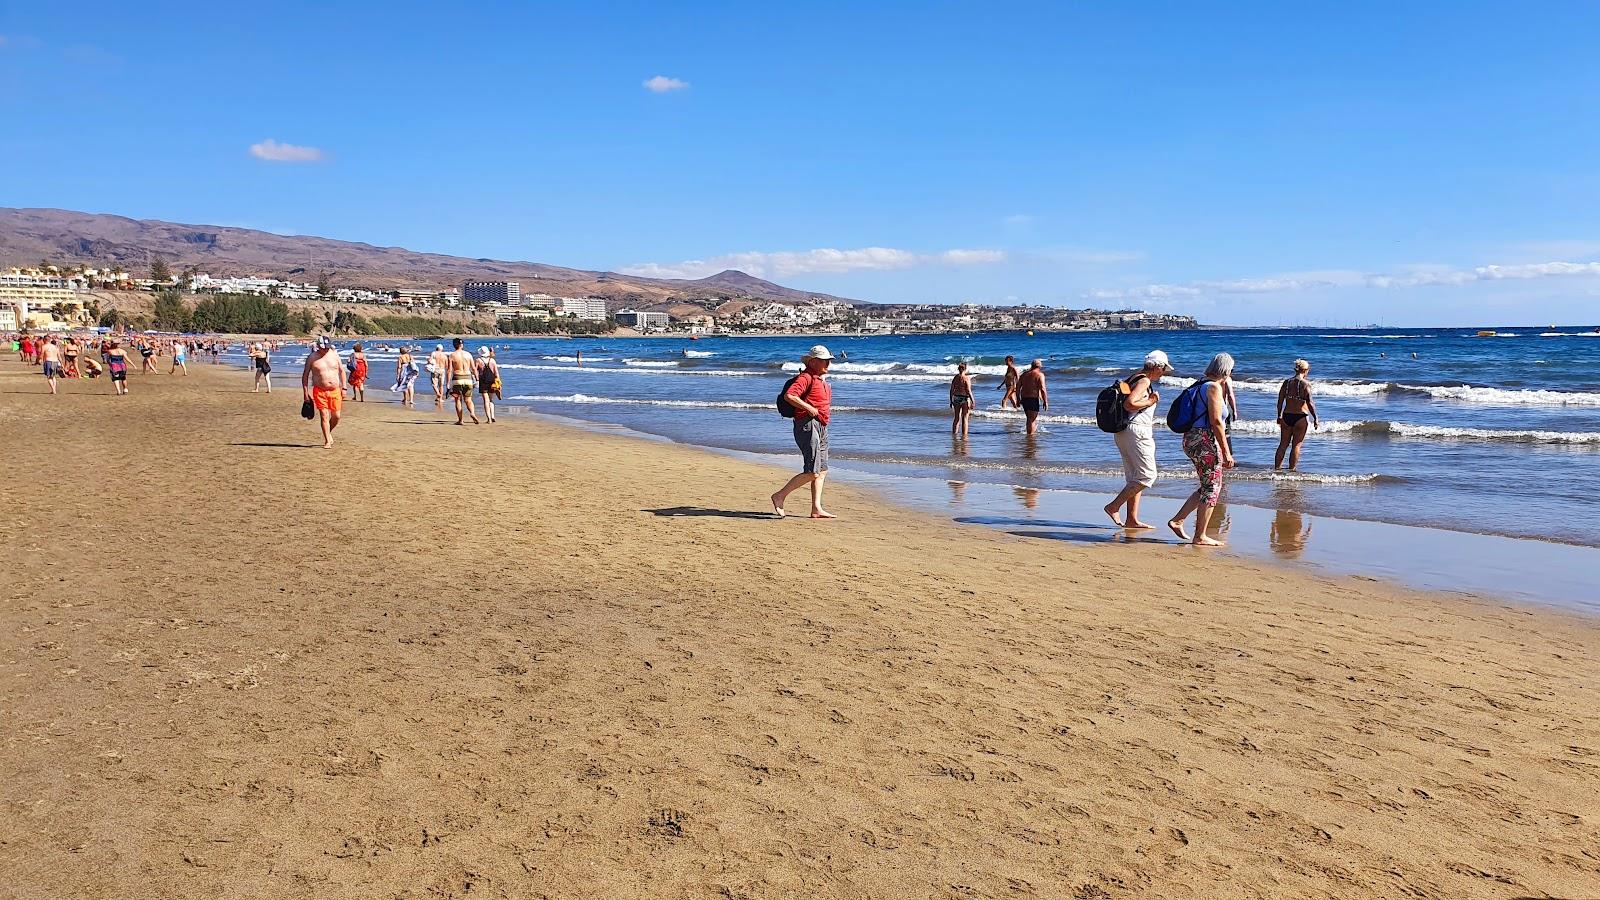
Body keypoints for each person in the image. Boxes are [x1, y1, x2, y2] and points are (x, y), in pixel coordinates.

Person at [1169, 353, 1238, 546]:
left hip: (1192, 439)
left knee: (1208, 485)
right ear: (1226, 370)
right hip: (1204, 440)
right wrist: (1226, 452)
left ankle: (1178, 520)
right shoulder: (1214, 387)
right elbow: (1216, 422)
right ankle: (1200, 536)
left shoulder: (1200, 384)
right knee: (1213, 487)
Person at [1103, 350, 1172, 529]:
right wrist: (1151, 401)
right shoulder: (1144, 380)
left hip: (1123, 431)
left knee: (1134, 477)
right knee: (1148, 475)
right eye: (1163, 368)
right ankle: (1113, 506)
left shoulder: (1133, 377)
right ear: (1157, 367)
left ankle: (1131, 519)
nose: (1163, 372)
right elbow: (1130, 404)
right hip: (1137, 432)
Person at [771, 345, 835, 519]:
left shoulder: (822, 380)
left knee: (822, 471)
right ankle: (780, 496)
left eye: (829, 360)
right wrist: (809, 408)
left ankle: (816, 508)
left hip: (821, 425)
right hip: (807, 424)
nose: (828, 364)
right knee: (812, 471)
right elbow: (790, 396)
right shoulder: (806, 377)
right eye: (824, 360)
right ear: (813, 362)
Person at [1274, 358, 1320, 471]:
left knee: (1283, 445)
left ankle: (1277, 469)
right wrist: (1316, 418)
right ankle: (1291, 470)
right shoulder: (1306, 384)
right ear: (1305, 370)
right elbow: (1310, 403)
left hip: (1286, 415)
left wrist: (1279, 415)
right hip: (1300, 417)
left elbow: (1280, 401)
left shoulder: (1287, 383)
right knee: (1296, 445)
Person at [301, 335, 346, 449]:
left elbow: (342, 371)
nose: (325, 349)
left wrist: (344, 387)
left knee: (336, 416)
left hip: (335, 390)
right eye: (323, 347)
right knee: (324, 416)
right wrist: (305, 393)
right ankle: (327, 441)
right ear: (318, 346)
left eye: (327, 347)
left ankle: (328, 432)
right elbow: (305, 375)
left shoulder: (335, 355)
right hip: (319, 391)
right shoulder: (312, 358)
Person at [445, 337, 479, 425]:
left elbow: (449, 370)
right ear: (462, 345)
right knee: (468, 399)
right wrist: (477, 379)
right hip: (468, 378)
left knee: (458, 400)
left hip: (457, 378)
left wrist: (448, 383)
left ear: (454, 345)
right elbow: (474, 369)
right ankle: (472, 413)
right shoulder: (469, 354)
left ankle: (460, 420)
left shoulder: (452, 355)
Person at [1016, 360, 1048, 435]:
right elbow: (1043, 389)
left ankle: (1030, 434)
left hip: (1024, 399)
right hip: (1033, 399)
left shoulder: (1024, 374)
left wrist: (1018, 398)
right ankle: (1030, 437)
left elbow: (1018, 387)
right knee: (1032, 419)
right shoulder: (1040, 375)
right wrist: (1045, 401)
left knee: (1029, 419)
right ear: (1040, 366)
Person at [949, 361, 974, 439]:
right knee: (965, 418)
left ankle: (954, 434)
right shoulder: (966, 378)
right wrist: (973, 400)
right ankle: (964, 436)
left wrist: (951, 400)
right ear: (965, 369)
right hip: (964, 398)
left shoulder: (955, 378)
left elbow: (951, 390)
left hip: (956, 398)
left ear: (958, 369)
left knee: (956, 418)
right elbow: (968, 390)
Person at [476, 346, 499, 423]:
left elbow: (474, 371)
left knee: (486, 400)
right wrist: (498, 382)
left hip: (483, 381)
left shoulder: (478, 360)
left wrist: (476, 378)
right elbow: (496, 372)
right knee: (491, 400)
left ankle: (489, 419)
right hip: (492, 380)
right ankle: (492, 416)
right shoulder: (492, 360)